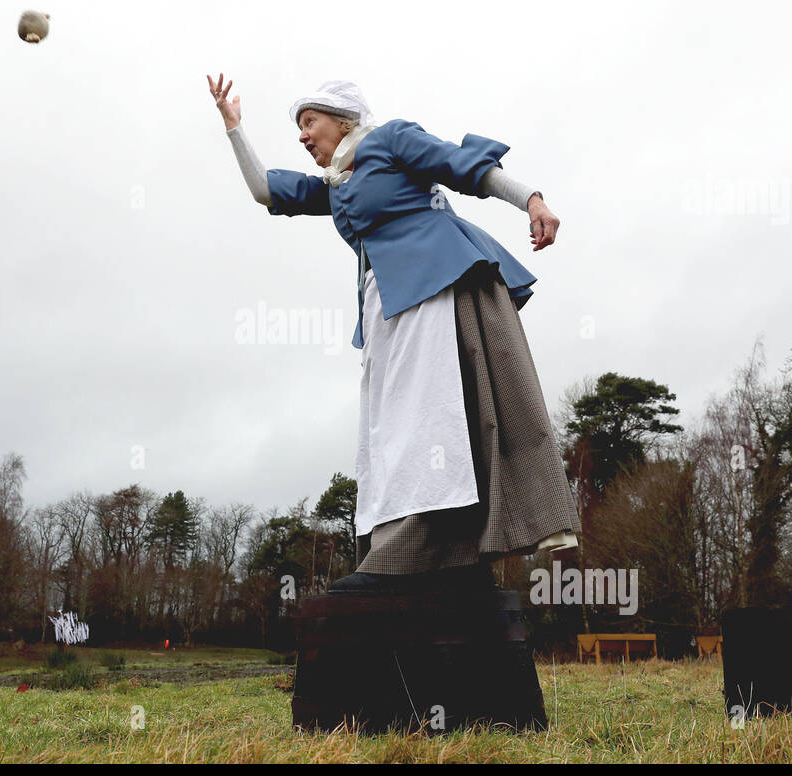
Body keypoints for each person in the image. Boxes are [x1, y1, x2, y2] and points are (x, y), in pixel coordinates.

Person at [207, 74, 580, 595]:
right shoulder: (335, 186)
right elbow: (264, 189)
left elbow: (464, 166)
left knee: (435, 419)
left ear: (344, 121)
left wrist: (533, 201)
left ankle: (448, 537)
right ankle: (418, 552)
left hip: (436, 288)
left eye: (309, 122)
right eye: (298, 128)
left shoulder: (389, 140)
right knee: (393, 431)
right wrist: (233, 126)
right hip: (386, 312)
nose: (302, 136)